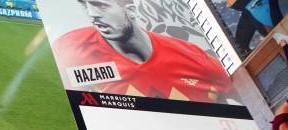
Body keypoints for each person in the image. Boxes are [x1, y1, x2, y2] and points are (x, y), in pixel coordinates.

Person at [53, 0, 237, 103]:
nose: (92, 14)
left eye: (100, 5)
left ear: (131, 11)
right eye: (85, 5)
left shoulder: (193, 56)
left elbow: (246, 97)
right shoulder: (71, 47)